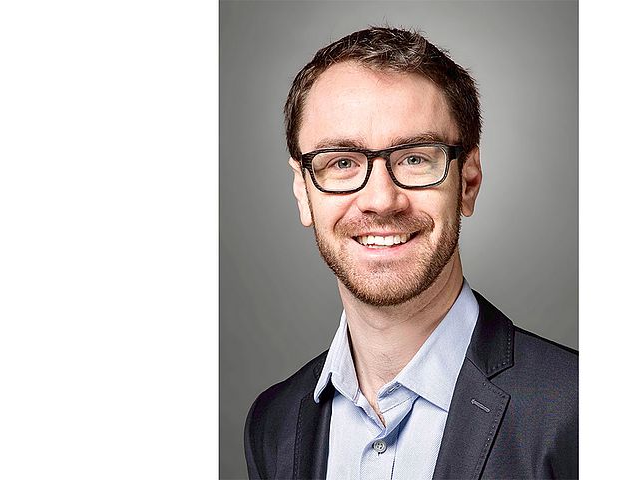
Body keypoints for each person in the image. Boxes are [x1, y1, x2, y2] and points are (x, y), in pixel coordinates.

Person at [244, 26, 578, 479]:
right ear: (303, 191)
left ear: (468, 181)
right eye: (341, 162)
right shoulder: (273, 425)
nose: (381, 200)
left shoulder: (576, 411)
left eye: (415, 158)